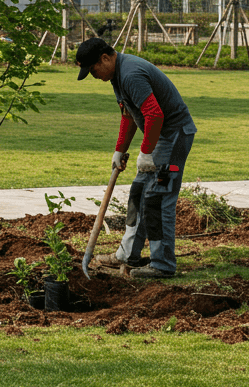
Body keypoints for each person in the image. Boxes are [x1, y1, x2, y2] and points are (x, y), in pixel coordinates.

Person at [75, 36, 196, 278]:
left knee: (157, 200)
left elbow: (155, 115)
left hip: (174, 136)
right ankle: (127, 253)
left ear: (105, 58)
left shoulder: (130, 74)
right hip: (159, 136)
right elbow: (129, 115)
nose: (95, 76)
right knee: (139, 192)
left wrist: (146, 152)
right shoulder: (116, 76)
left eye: (93, 69)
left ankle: (163, 265)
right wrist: (120, 148)